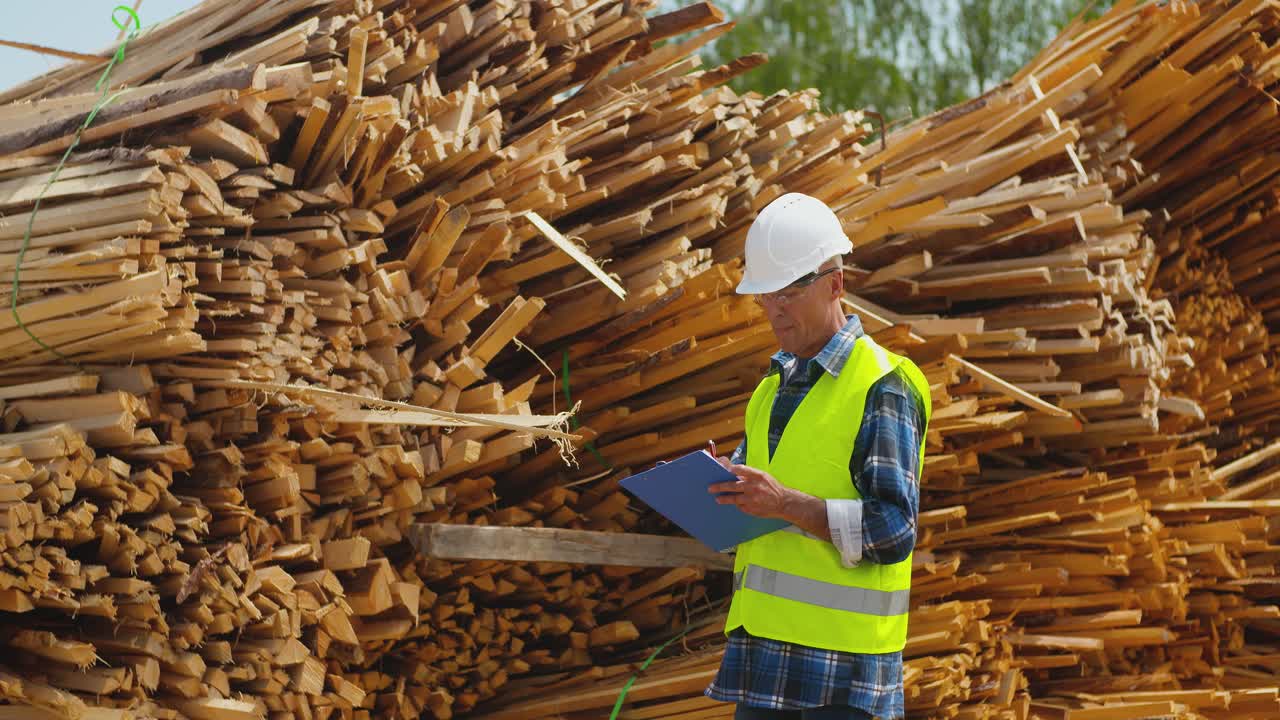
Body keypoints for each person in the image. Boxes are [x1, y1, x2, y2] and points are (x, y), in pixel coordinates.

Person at [703, 192, 931, 720]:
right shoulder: (771, 388)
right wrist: (718, 487)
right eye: (765, 295)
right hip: (765, 661)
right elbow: (756, 499)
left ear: (835, 283)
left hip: (845, 679)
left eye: (788, 292)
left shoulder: (883, 387)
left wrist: (784, 504)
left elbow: (894, 530)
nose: (774, 308)